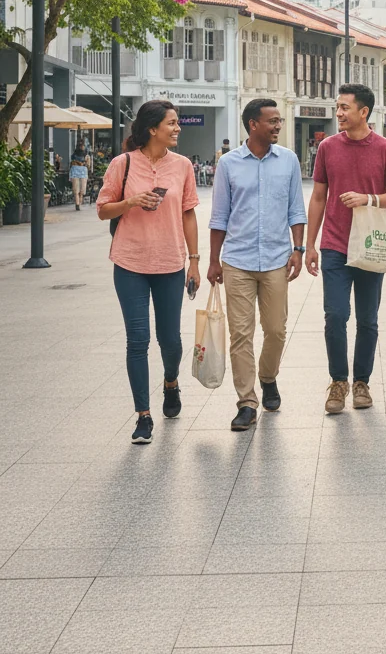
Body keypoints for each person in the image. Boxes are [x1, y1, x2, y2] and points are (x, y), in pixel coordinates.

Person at [96, 100, 200, 443]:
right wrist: (131, 202)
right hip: (129, 263)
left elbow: (188, 213)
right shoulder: (121, 163)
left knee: (170, 340)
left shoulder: (183, 165)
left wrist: (195, 260)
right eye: (171, 123)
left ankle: (171, 382)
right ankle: (143, 416)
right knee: (137, 340)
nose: (177, 128)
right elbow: (102, 210)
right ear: (153, 129)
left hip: (170, 262)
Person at [208, 99, 307, 431]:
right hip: (237, 260)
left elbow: (296, 209)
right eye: (272, 121)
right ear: (253, 124)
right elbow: (219, 216)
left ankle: (268, 377)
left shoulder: (289, 160)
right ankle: (247, 401)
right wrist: (212, 260)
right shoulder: (229, 164)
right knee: (240, 334)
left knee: (276, 330)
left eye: (279, 121)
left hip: (277, 259)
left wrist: (299, 249)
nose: (278, 126)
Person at [306, 85, 386, 413]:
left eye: (345, 108)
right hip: (334, 244)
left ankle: (362, 381)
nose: (339, 113)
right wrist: (309, 245)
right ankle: (338, 382)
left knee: (368, 319)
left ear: (364, 112)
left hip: (369, 243)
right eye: (338, 107)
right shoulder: (327, 148)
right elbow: (319, 196)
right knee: (335, 315)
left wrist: (368, 199)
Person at [69, 143, 89, 211]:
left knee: (82, 190)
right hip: (75, 171)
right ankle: (77, 204)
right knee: (76, 189)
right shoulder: (74, 155)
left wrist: (86, 162)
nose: (82, 147)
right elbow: (72, 162)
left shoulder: (86, 155)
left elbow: (88, 165)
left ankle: (79, 203)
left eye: (83, 145)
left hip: (83, 172)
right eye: (81, 146)